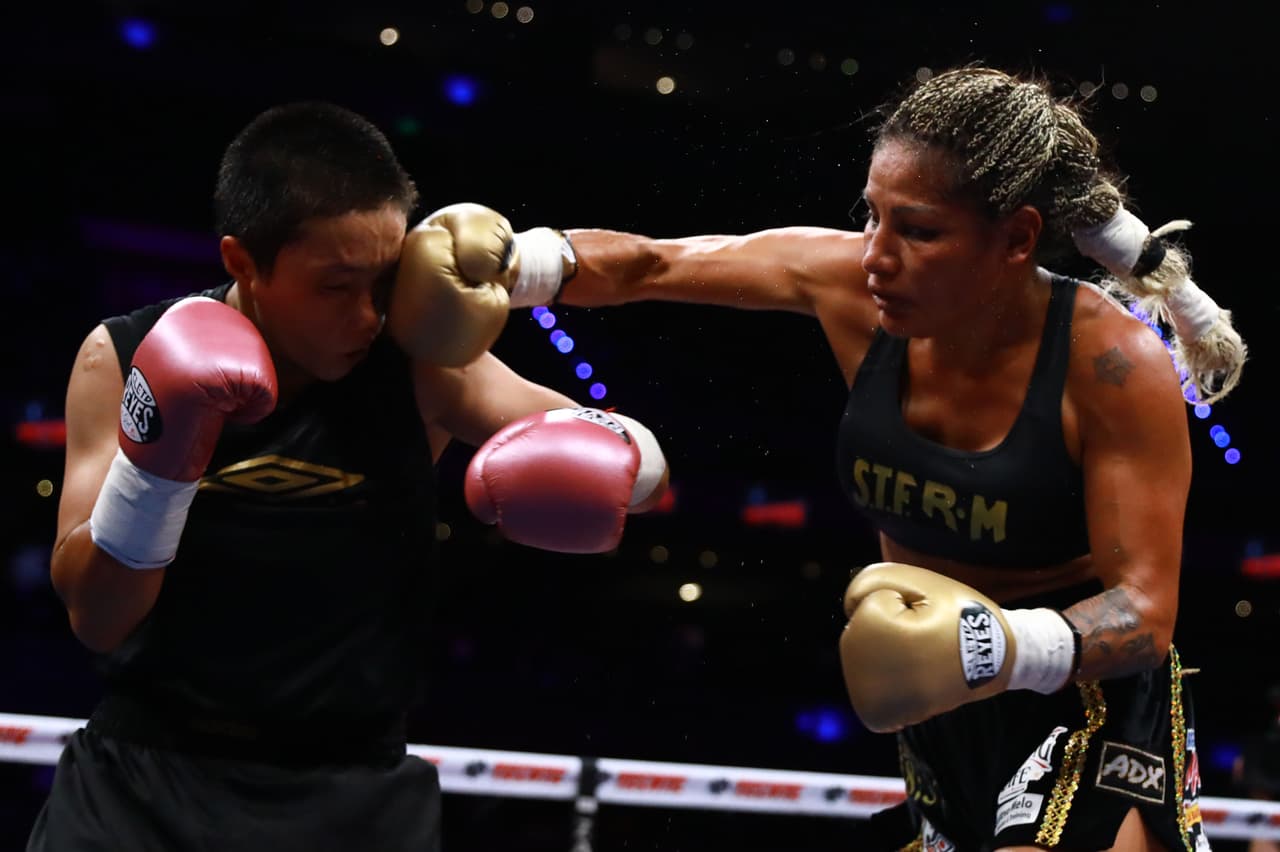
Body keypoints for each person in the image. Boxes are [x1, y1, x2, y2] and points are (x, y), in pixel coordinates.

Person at [488, 65, 1247, 850]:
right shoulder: (852, 287)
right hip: (937, 709)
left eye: (917, 231)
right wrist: (513, 265)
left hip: (1085, 700)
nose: (877, 255)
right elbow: (651, 265)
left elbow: (1146, 615)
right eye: (872, 217)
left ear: (1018, 238)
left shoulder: (1111, 364)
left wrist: (996, 646)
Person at [31, 101, 668, 852]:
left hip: (353, 799)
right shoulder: (126, 356)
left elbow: (641, 475)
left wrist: (624, 458)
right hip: (142, 788)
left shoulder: (420, 362)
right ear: (242, 262)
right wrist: (159, 468)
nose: (369, 315)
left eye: (384, 279)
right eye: (336, 286)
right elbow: (97, 618)